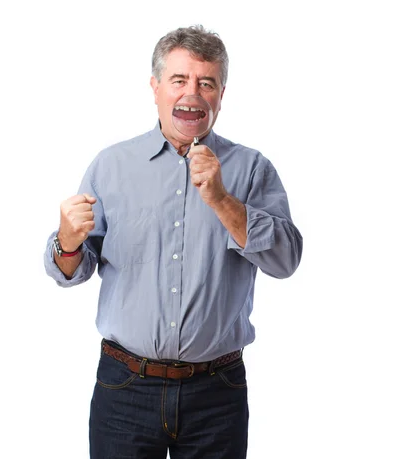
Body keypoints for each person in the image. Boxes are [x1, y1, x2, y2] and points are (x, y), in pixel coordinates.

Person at [44, 24, 302, 459]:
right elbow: (73, 270)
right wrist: (67, 242)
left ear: (221, 94)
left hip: (217, 394)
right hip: (125, 388)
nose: (192, 93)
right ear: (156, 87)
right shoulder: (112, 165)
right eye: (179, 80)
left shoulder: (252, 169)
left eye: (207, 83)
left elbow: (286, 259)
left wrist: (221, 200)